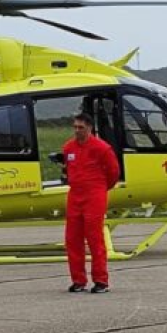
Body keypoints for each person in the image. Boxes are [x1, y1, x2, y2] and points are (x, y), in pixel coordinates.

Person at [61, 113, 120, 294]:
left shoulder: (102, 148)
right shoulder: (68, 148)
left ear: (90, 128)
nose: (77, 131)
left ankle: (101, 280)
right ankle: (78, 280)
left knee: (94, 239)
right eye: (75, 127)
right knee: (72, 239)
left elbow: (113, 173)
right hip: (75, 196)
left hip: (94, 195)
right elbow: (67, 169)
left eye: (81, 128)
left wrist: (100, 188)